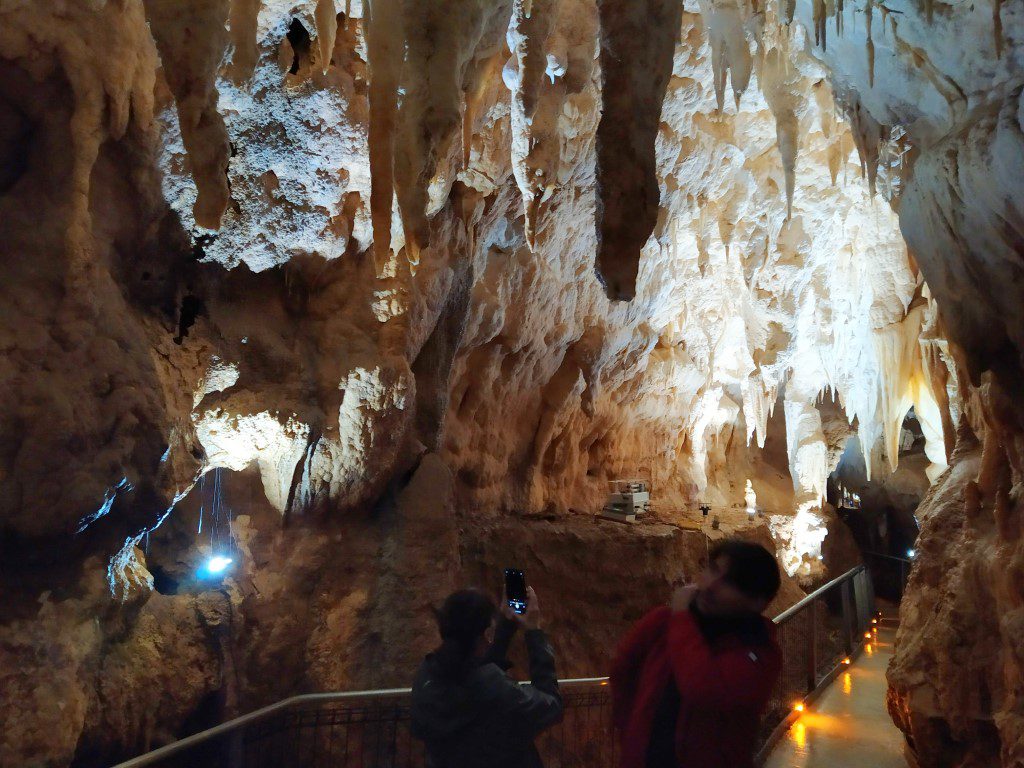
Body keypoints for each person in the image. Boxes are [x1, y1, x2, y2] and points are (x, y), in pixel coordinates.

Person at [610, 540, 784, 768]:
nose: (711, 585)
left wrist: (681, 617)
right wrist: (632, 733)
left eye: (730, 582)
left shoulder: (760, 653)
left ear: (757, 602)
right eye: (712, 569)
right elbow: (622, 671)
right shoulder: (662, 621)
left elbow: (703, 689)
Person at [411, 586, 563, 768]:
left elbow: (475, 672)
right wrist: (534, 631)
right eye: (490, 634)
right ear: (483, 635)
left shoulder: (427, 676)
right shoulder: (492, 686)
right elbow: (551, 705)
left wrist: (506, 625)